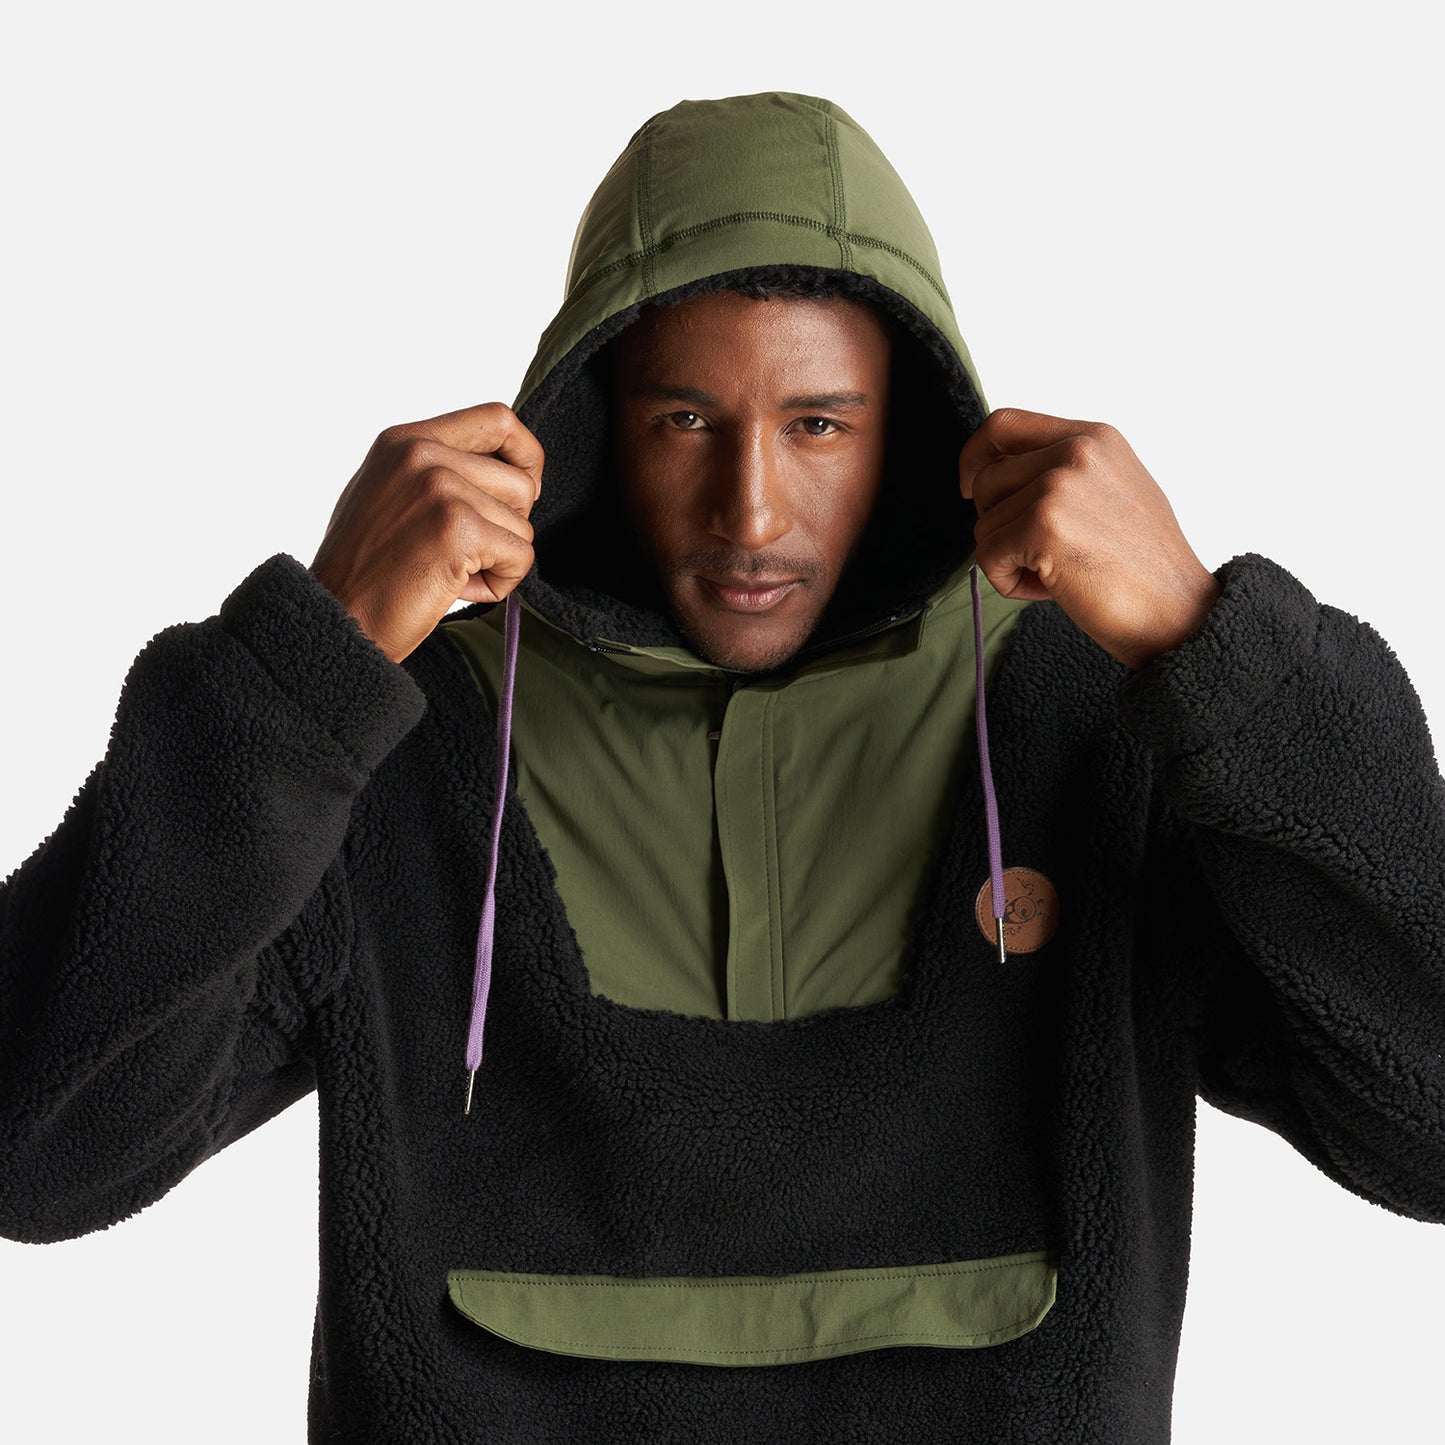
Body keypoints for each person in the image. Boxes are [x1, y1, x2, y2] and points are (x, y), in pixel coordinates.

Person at [1, 90, 1441, 1443]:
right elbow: (37, 1152)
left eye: (819, 424)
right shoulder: (399, 729)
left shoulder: (1096, 717)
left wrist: (1210, 644)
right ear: (584, 429)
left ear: (918, 435)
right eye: (683, 420)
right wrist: (304, 667)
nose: (749, 512)